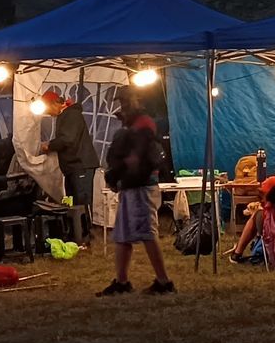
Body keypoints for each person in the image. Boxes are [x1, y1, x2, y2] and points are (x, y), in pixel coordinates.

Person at [99, 89, 174, 296]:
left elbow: (135, 158)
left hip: (141, 186)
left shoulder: (143, 124)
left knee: (147, 233)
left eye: (125, 101)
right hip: (130, 186)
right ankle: (122, 282)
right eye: (121, 101)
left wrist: (119, 172)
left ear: (136, 100)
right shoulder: (133, 125)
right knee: (122, 235)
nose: (122, 105)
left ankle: (164, 282)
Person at [38, 89, 99, 233]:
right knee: (72, 200)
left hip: (80, 165)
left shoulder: (71, 114)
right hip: (72, 167)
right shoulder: (65, 116)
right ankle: (76, 231)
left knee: (81, 200)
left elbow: (68, 139)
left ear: (54, 104)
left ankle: (85, 233)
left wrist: (50, 145)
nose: (48, 114)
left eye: (47, 109)